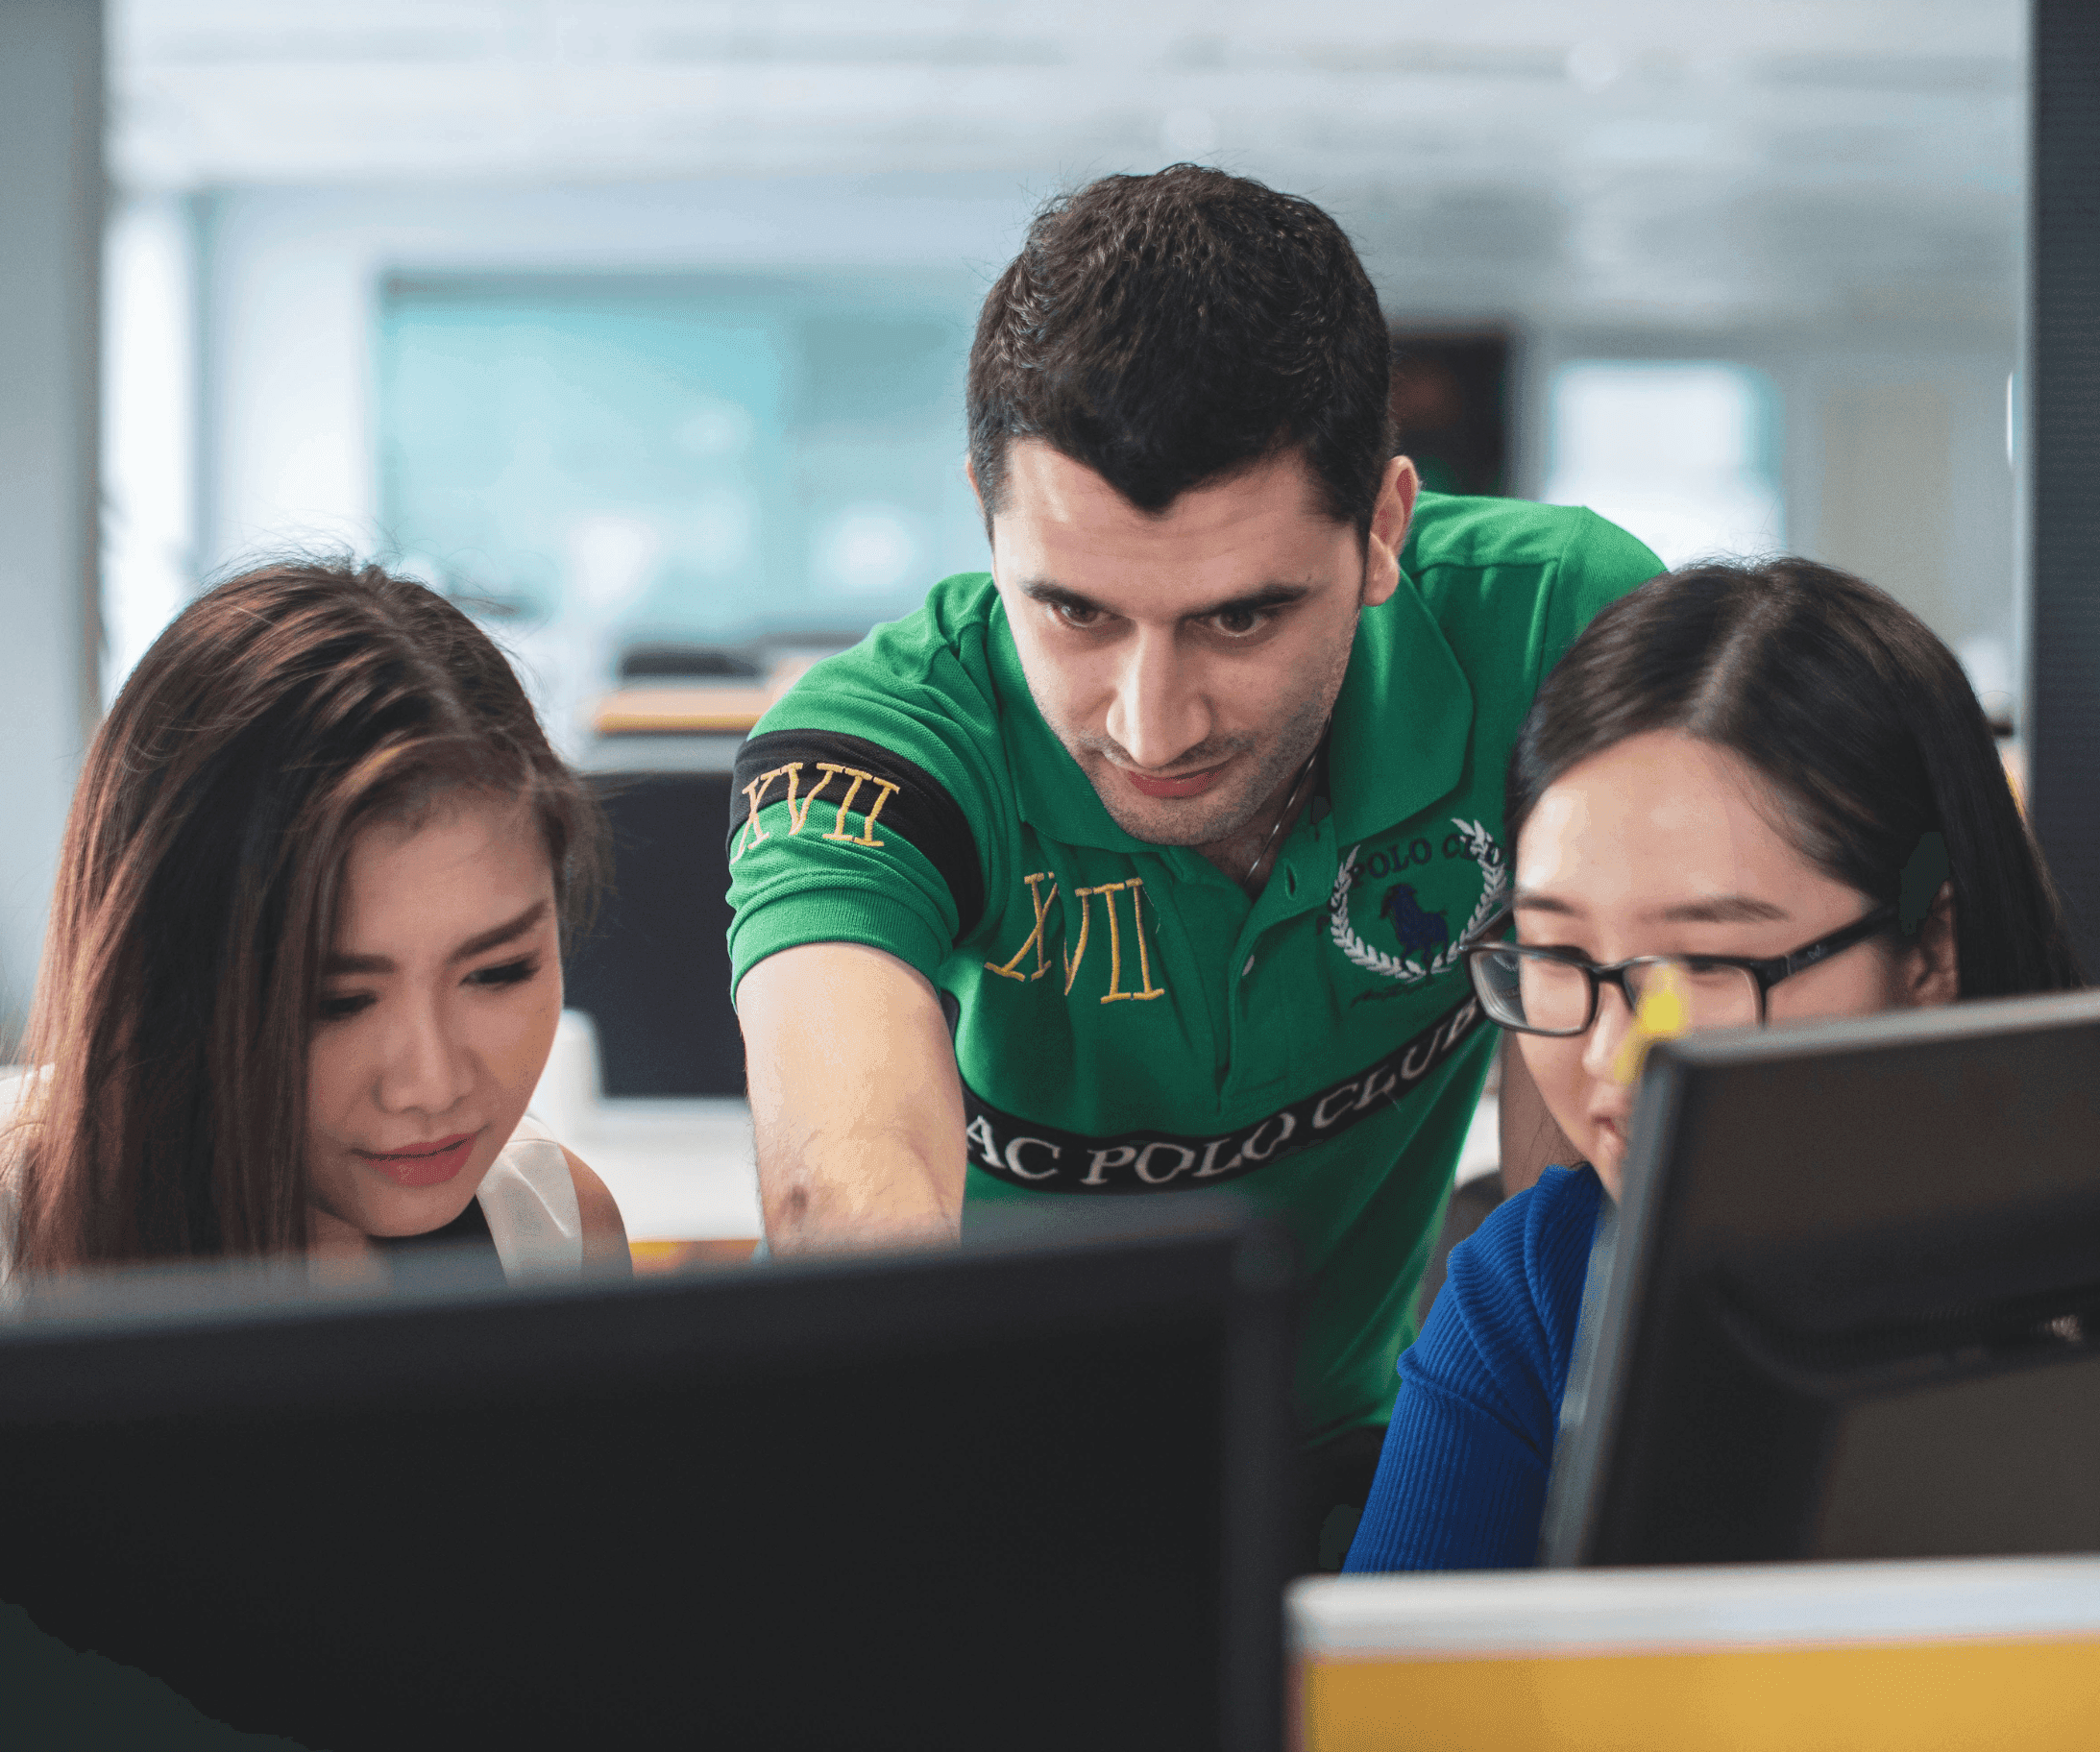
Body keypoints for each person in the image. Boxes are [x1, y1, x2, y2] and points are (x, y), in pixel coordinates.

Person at [725, 163, 1664, 1566]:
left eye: (1240, 619)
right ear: (987, 522)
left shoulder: (1558, 625)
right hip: (951, 1463)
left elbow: (1574, 1198)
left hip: (1352, 1452)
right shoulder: (872, 747)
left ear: (1384, 527)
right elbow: (842, 1196)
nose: (1149, 724)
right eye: (1074, 612)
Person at [1343, 557, 2083, 1572]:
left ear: (1930, 951)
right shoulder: (1537, 1284)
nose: (1613, 1055)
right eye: (1557, 952)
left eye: (1702, 963)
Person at [0, 560, 628, 1316]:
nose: (432, 1086)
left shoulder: (559, 1233)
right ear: (163, 977)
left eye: (498, 972)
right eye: (336, 1002)